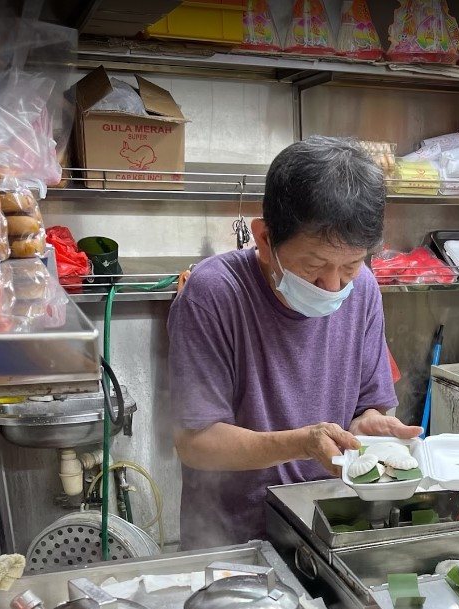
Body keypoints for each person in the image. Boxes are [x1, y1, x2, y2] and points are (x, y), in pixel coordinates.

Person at [168, 136, 422, 550]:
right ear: (265, 240)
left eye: (352, 265)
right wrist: (300, 444)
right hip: (233, 539)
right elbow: (195, 443)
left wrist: (368, 426)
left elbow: (363, 407)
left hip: (328, 526)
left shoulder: (364, 290)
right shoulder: (213, 293)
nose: (334, 285)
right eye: (314, 266)